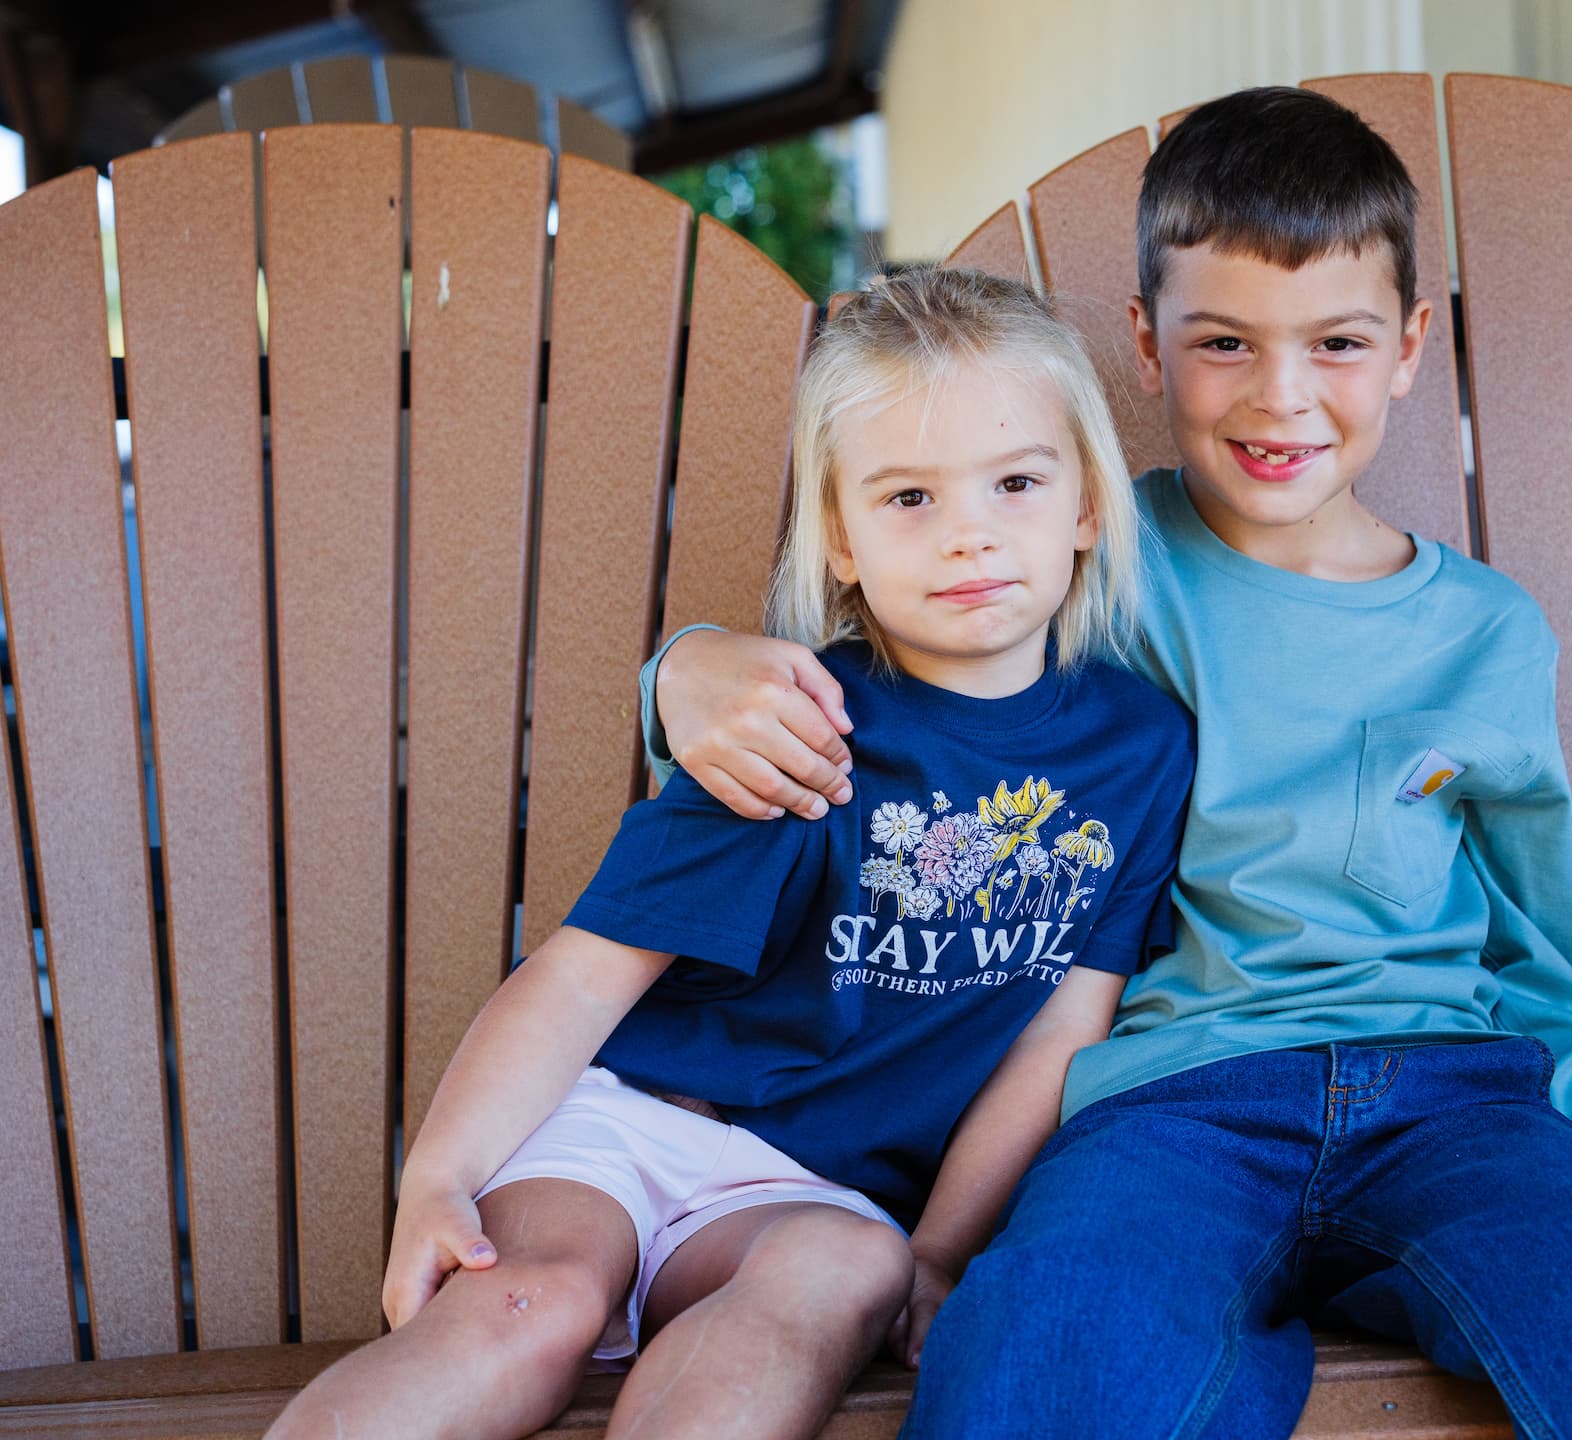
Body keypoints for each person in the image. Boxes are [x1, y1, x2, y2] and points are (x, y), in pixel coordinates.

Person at [643, 87, 1572, 1440]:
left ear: (1410, 346)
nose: (1281, 396)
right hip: (1163, 1111)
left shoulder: (1486, 636)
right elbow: (885, 664)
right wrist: (686, 670)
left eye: (1337, 344)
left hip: (1455, 1106)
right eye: (1224, 341)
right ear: (1148, 344)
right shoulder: (1084, 563)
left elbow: (1537, 965)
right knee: (1049, 1338)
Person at [266, 267, 1194, 1440]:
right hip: (631, 1125)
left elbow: (1066, 1027)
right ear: (841, 538)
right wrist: (437, 1180)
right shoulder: (787, 722)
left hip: (815, 1200)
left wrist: (939, 1251)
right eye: (909, 498)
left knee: (841, 1276)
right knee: (533, 1300)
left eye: (1015, 482)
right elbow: (585, 973)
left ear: (1085, 510)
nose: (970, 533)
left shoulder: (1138, 752)